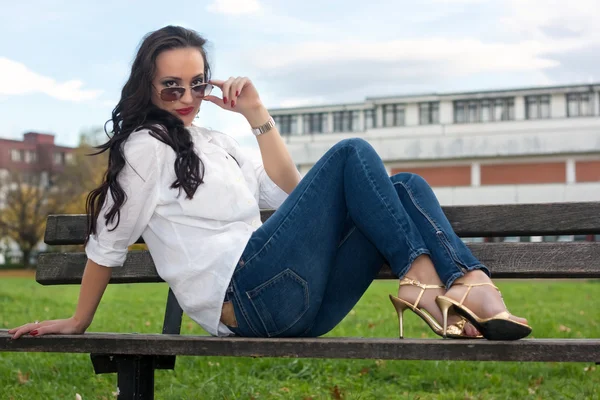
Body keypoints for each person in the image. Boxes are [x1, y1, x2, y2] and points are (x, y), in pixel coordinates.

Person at [10, 26, 531, 341]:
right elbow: (110, 241)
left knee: (407, 185)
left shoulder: (216, 142)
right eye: (171, 86)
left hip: (300, 304)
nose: (187, 96)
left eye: (197, 83)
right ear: (147, 85)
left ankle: (468, 285)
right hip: (248, 297)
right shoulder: (147, 146)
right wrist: (79, 320)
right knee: (352, 153)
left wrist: (258, 116)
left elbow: (287, 193)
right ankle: (432, 286)